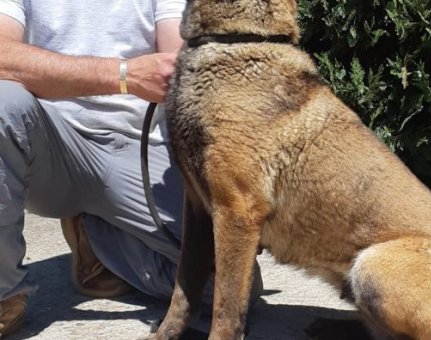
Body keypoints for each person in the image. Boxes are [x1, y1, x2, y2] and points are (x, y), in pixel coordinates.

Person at [0, 0, 262, 336]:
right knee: (3, 102)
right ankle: (5, 295)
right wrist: (124, 75)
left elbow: (180, 63)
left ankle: (99, 241)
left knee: (231, 291)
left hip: (137, 147)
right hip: (49, 145)